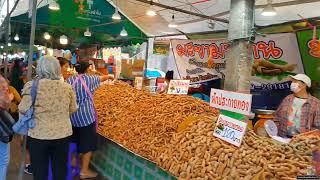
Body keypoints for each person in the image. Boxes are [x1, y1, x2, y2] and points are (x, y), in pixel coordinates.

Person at [19, 56, 78, 180]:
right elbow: (73, 109)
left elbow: (23, 108)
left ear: (40, 68)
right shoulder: (67, 87)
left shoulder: (32, 86)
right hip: (62, 135)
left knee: (40, 171)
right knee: (60, 170)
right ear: (57, 69)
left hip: (38, 135)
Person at [66, 61, 113, 179]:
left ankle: (73, 165)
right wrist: (110, 76)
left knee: (73, 141)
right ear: (87, 69)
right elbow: (102, 78)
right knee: (88, 145)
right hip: (86, 118)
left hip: (72, 116)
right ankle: (84, 171)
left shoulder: (70, 80)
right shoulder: (90, 79)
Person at [0, 75, 13, 180]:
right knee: (3, 160)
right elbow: (5, 104)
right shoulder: (2, 81)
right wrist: (9, 99)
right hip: (1, 129)